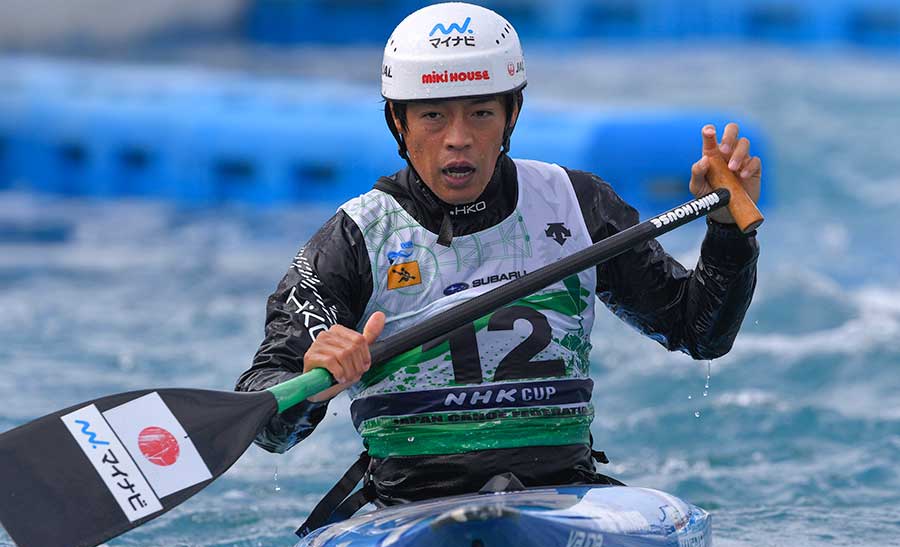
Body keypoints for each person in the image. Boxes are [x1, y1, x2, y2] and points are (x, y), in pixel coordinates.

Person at [236, 3, 760, 512]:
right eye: (434, 117)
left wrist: (726, 231)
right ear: (399, 122)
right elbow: (265, 419)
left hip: (562, 496)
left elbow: (699, 331)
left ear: (512, 115)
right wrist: (313, 377)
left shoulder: (578, 205)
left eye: (481, 113)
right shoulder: (354, 238)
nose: (458, 140)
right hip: (407, 508)